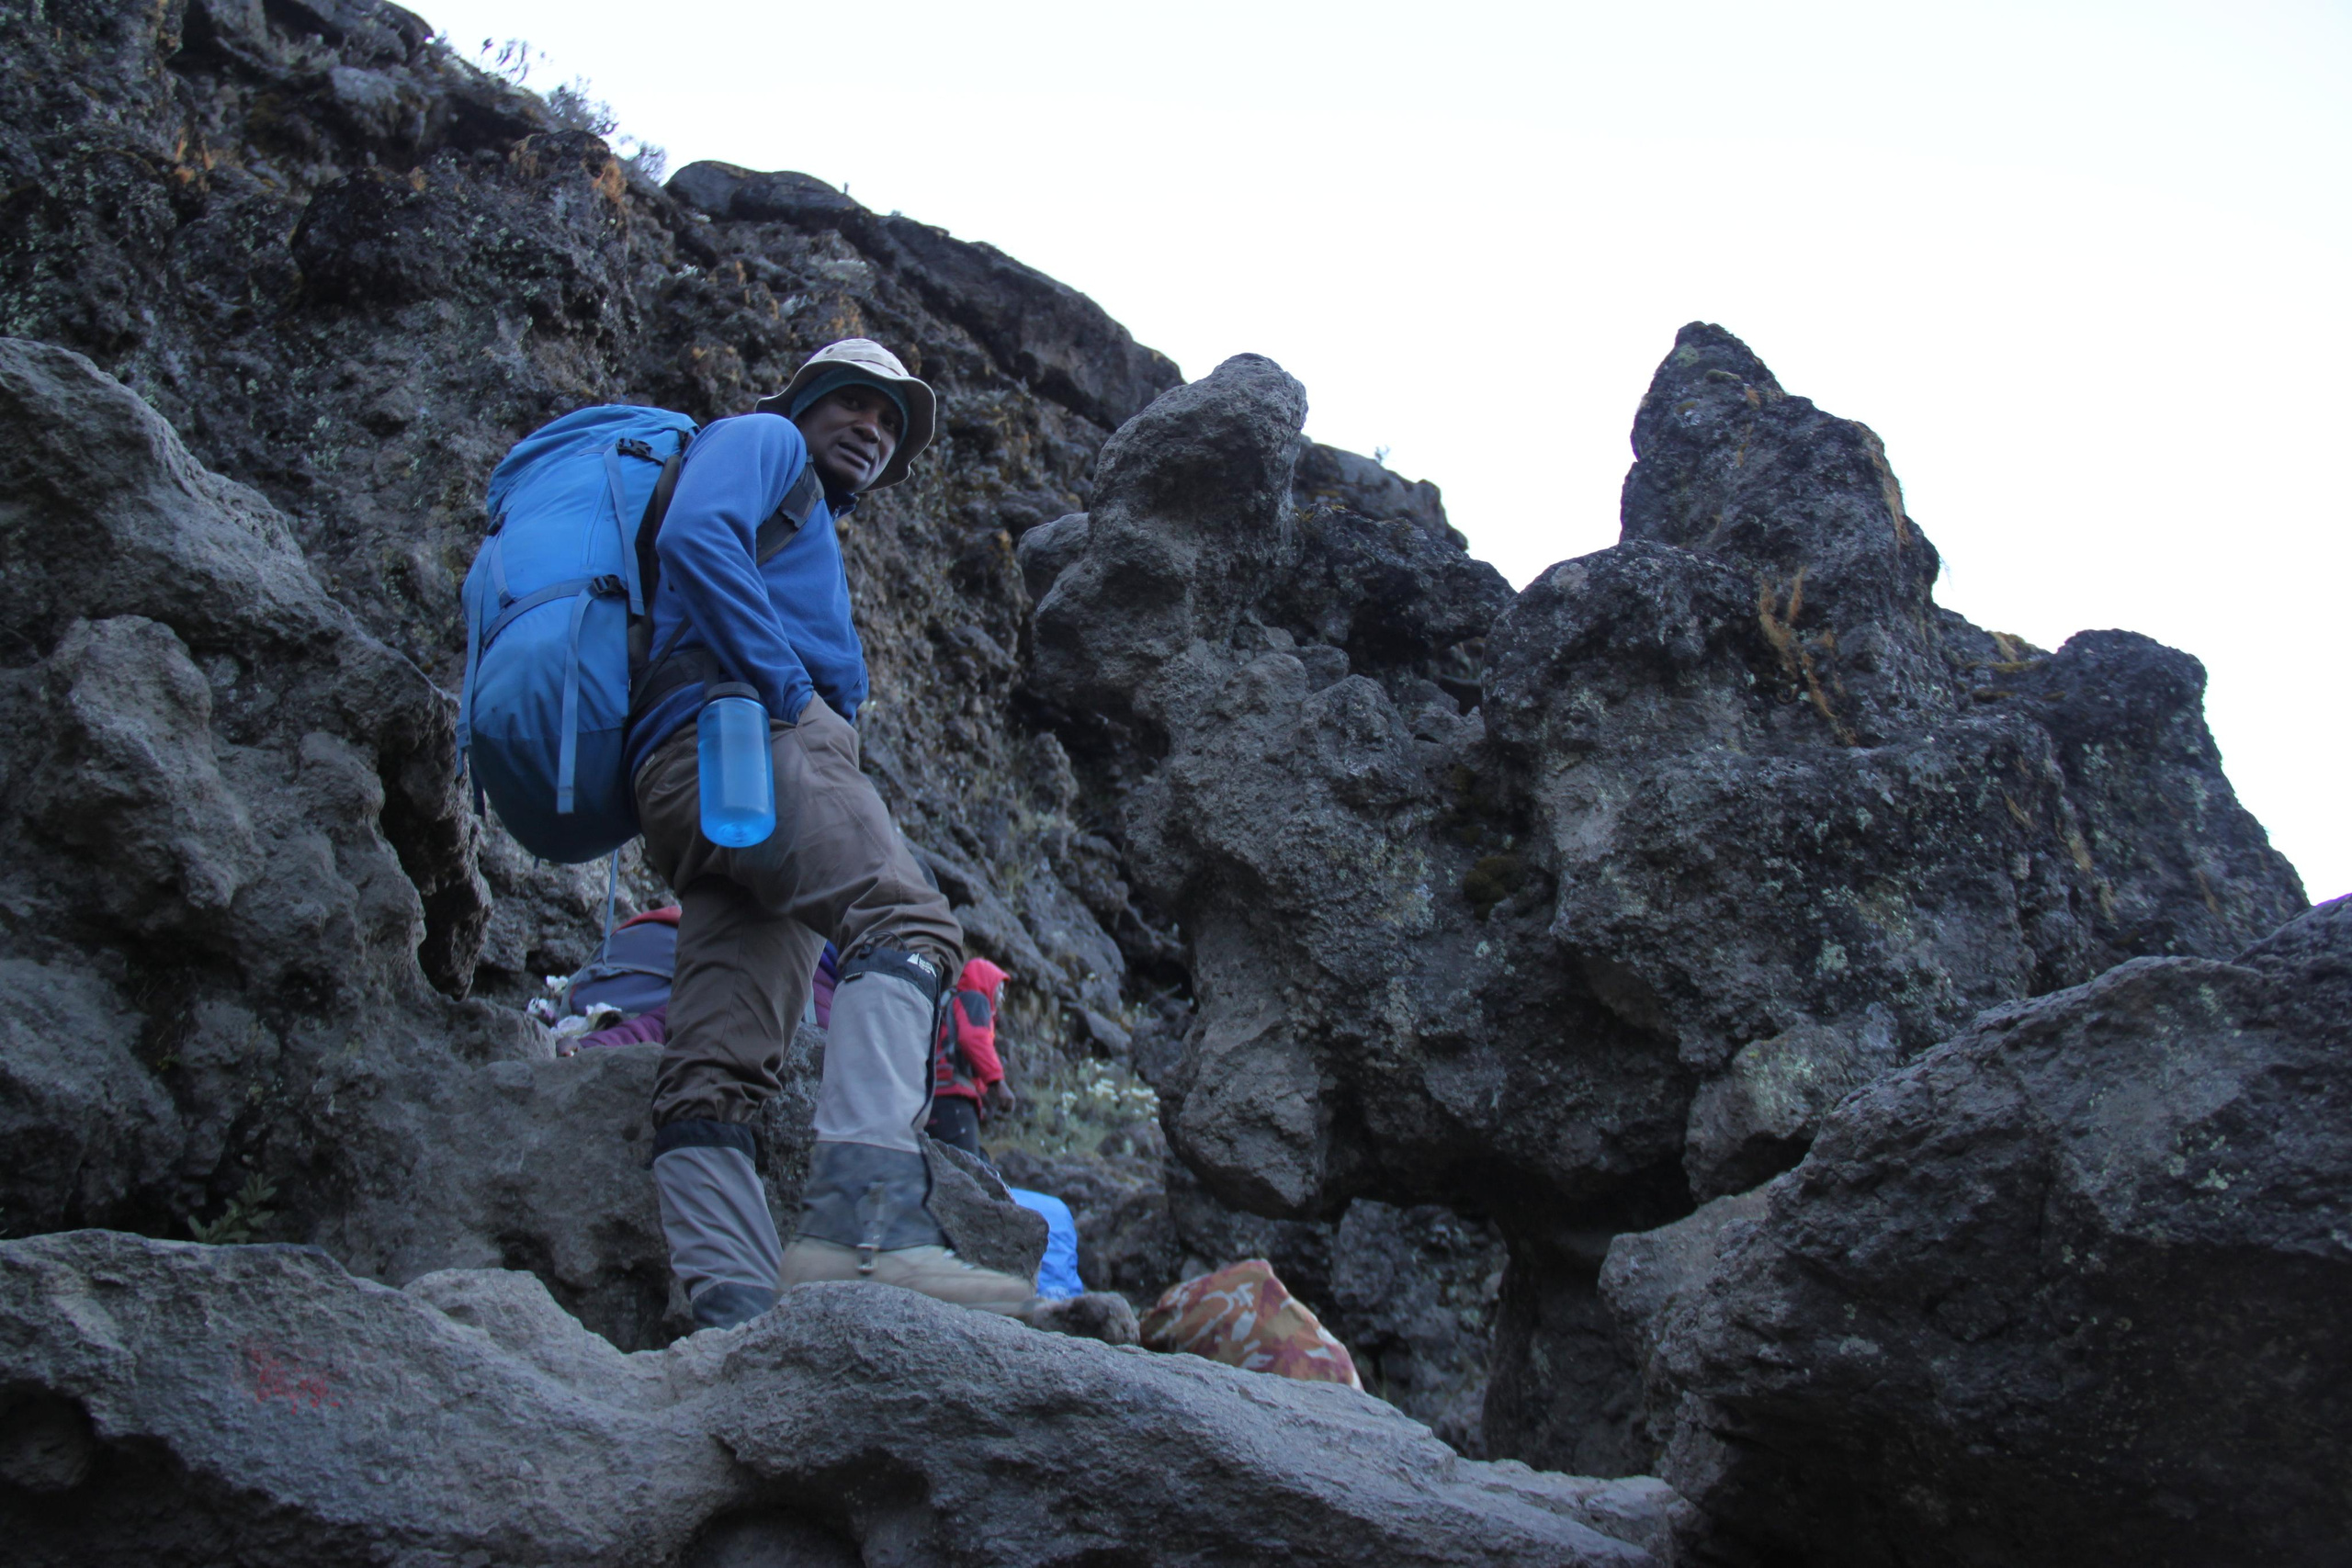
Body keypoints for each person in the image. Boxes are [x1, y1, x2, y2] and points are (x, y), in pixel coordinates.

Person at [628, 339, 1035, 1330]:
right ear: (803, 403)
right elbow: (697, 536)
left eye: (891, 422)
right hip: (750, 735)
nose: (873, 428)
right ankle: (872, 1230)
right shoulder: (762, 441)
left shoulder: (804, 518)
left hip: (707, 774)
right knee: (908, 925)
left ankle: (734, 1314)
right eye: (854, 403)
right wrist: (795, 694)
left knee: (721, 1062)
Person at [922, 957, 1013, 1156]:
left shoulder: (948, 1002)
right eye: (999, 989)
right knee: (966, 1169)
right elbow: (973, 1038)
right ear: (986, 982)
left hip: (931, 1100)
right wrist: (998, 1082)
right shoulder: (975, 1000)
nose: (1002, 998)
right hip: (954, 1101)